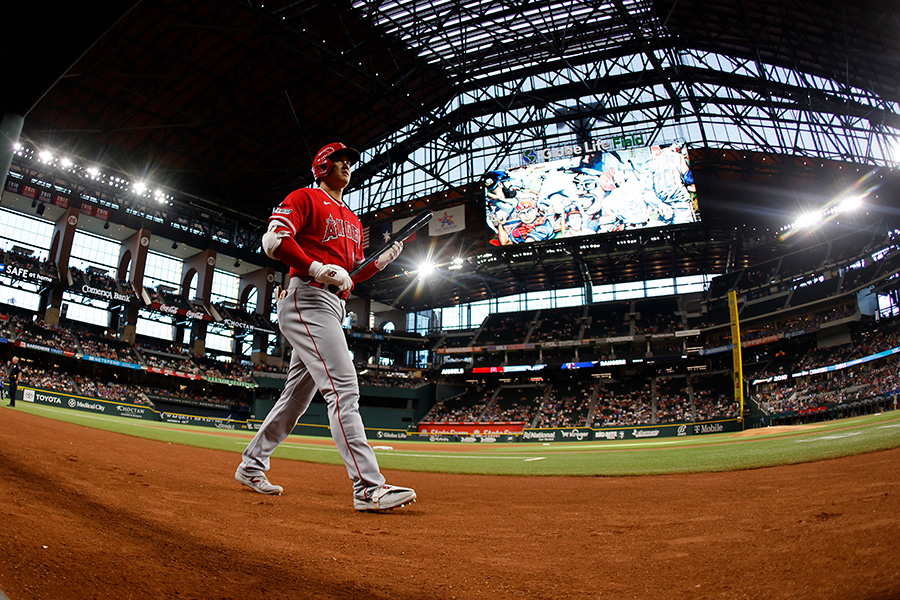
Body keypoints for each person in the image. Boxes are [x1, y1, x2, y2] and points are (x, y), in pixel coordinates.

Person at [235, 142, 416, 512]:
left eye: (350, 161)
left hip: (333, 305)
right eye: (340, 160)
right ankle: (368, 488)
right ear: (322, 165)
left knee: (296, 400)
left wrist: (381, 262)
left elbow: (351, 275)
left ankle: (252, 464)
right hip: (307, 297)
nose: (347, 165)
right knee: (344, 389)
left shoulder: (352, 218)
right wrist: (315, 268)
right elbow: (274, 241)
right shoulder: (304, 197)